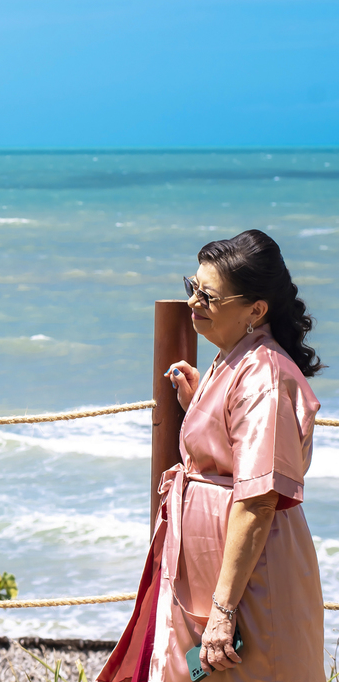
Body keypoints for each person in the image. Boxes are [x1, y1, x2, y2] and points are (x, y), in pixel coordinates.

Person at [100, 230, 324, 682]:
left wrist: (224, 608)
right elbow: (234, 443)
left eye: (209, 296)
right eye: (193, 288)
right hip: (211, 567)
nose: (193, 303)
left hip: (249, 577)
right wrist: (201, 404)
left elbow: (258, 500)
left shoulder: (264, 376)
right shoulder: (233, 358)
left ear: (256, 309)